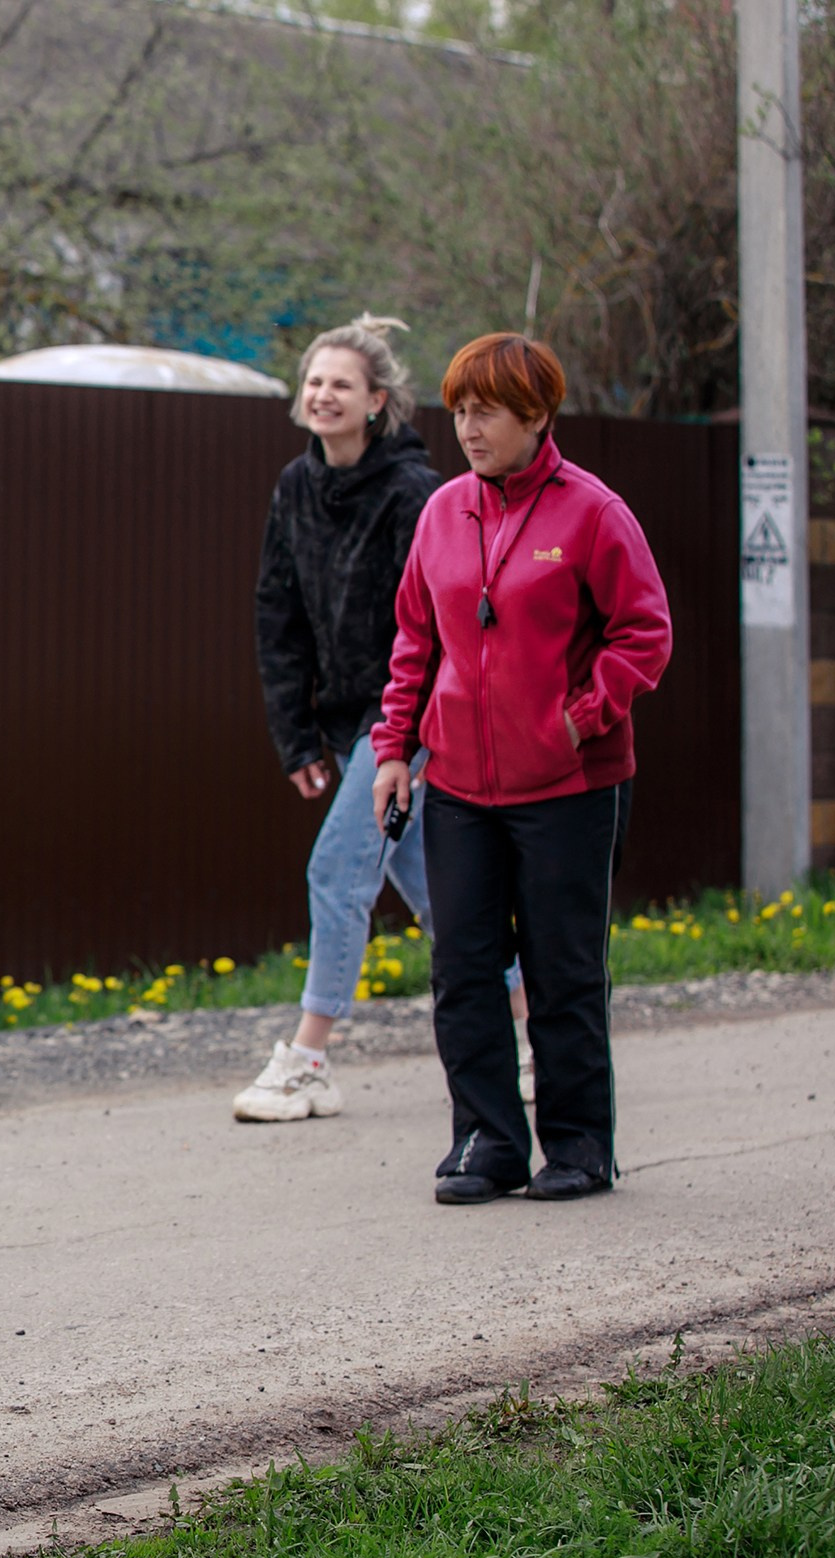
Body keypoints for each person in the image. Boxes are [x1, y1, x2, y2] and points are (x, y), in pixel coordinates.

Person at [372, 333, 671, 1205]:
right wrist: (394, 749)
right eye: (460, 411)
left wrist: (580, 718)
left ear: (537, 416)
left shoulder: (594, 513)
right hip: (459, 785)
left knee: (561, 969)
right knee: (462, 968)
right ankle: (487, 1142)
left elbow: (644, 633)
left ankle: (578, 1146)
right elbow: (415, 640)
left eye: (487, 412)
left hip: (570, 786)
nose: (469, 428)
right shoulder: (442, 513)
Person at [236, 316, 508, 1122]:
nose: (323, 394)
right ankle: (536, 1028)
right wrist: (296, 737)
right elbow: (277, 616)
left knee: (336, 869)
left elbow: (438, 621)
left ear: (377, 401)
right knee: (437, 890)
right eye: (314, 381)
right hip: (347, 718)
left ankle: (310, 1059)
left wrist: (403, 733)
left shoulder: (413, 493)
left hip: (409, 712)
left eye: (341, 384)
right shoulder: (296, 486)